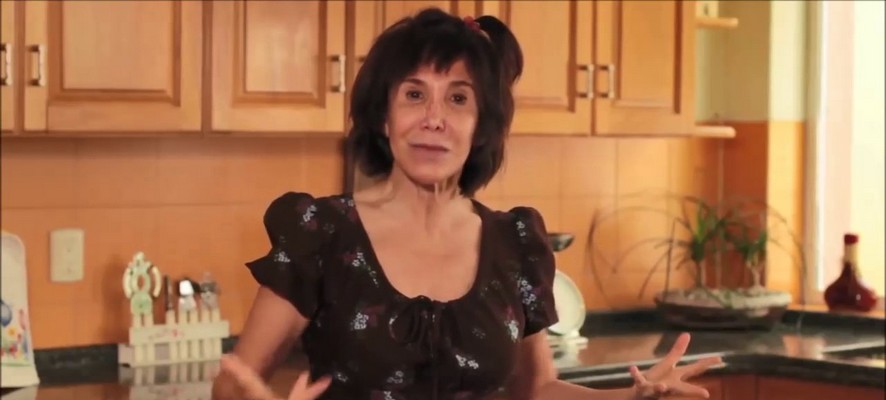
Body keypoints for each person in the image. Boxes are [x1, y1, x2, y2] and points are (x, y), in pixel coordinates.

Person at [211, 8, 721, 400]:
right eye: (414, 95)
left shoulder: (515, 243)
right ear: (384, 117)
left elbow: (536, 390)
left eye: (458, 99)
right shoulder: (320, 234)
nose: (434, 118)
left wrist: (630, 397)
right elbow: (234, 382)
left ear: (481, 127)